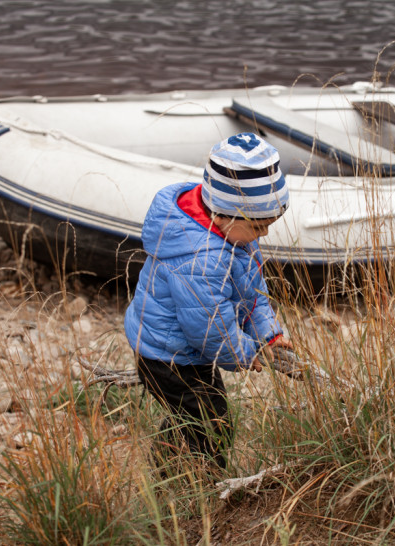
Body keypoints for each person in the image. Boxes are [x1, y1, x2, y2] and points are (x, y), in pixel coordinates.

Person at [124, 132, 292, 469]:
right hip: (166, 357)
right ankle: (191, 485)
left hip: (185, 351)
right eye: (259, 227)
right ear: (223, 215)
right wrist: (249, 353)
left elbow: (252, 294)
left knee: (195, 418)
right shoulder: (201, 260)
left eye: (269, 224)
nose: (264, 234)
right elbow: (210, 330)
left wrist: (269, 335)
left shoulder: (233, 234)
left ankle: (172, 472)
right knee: (211, 425)